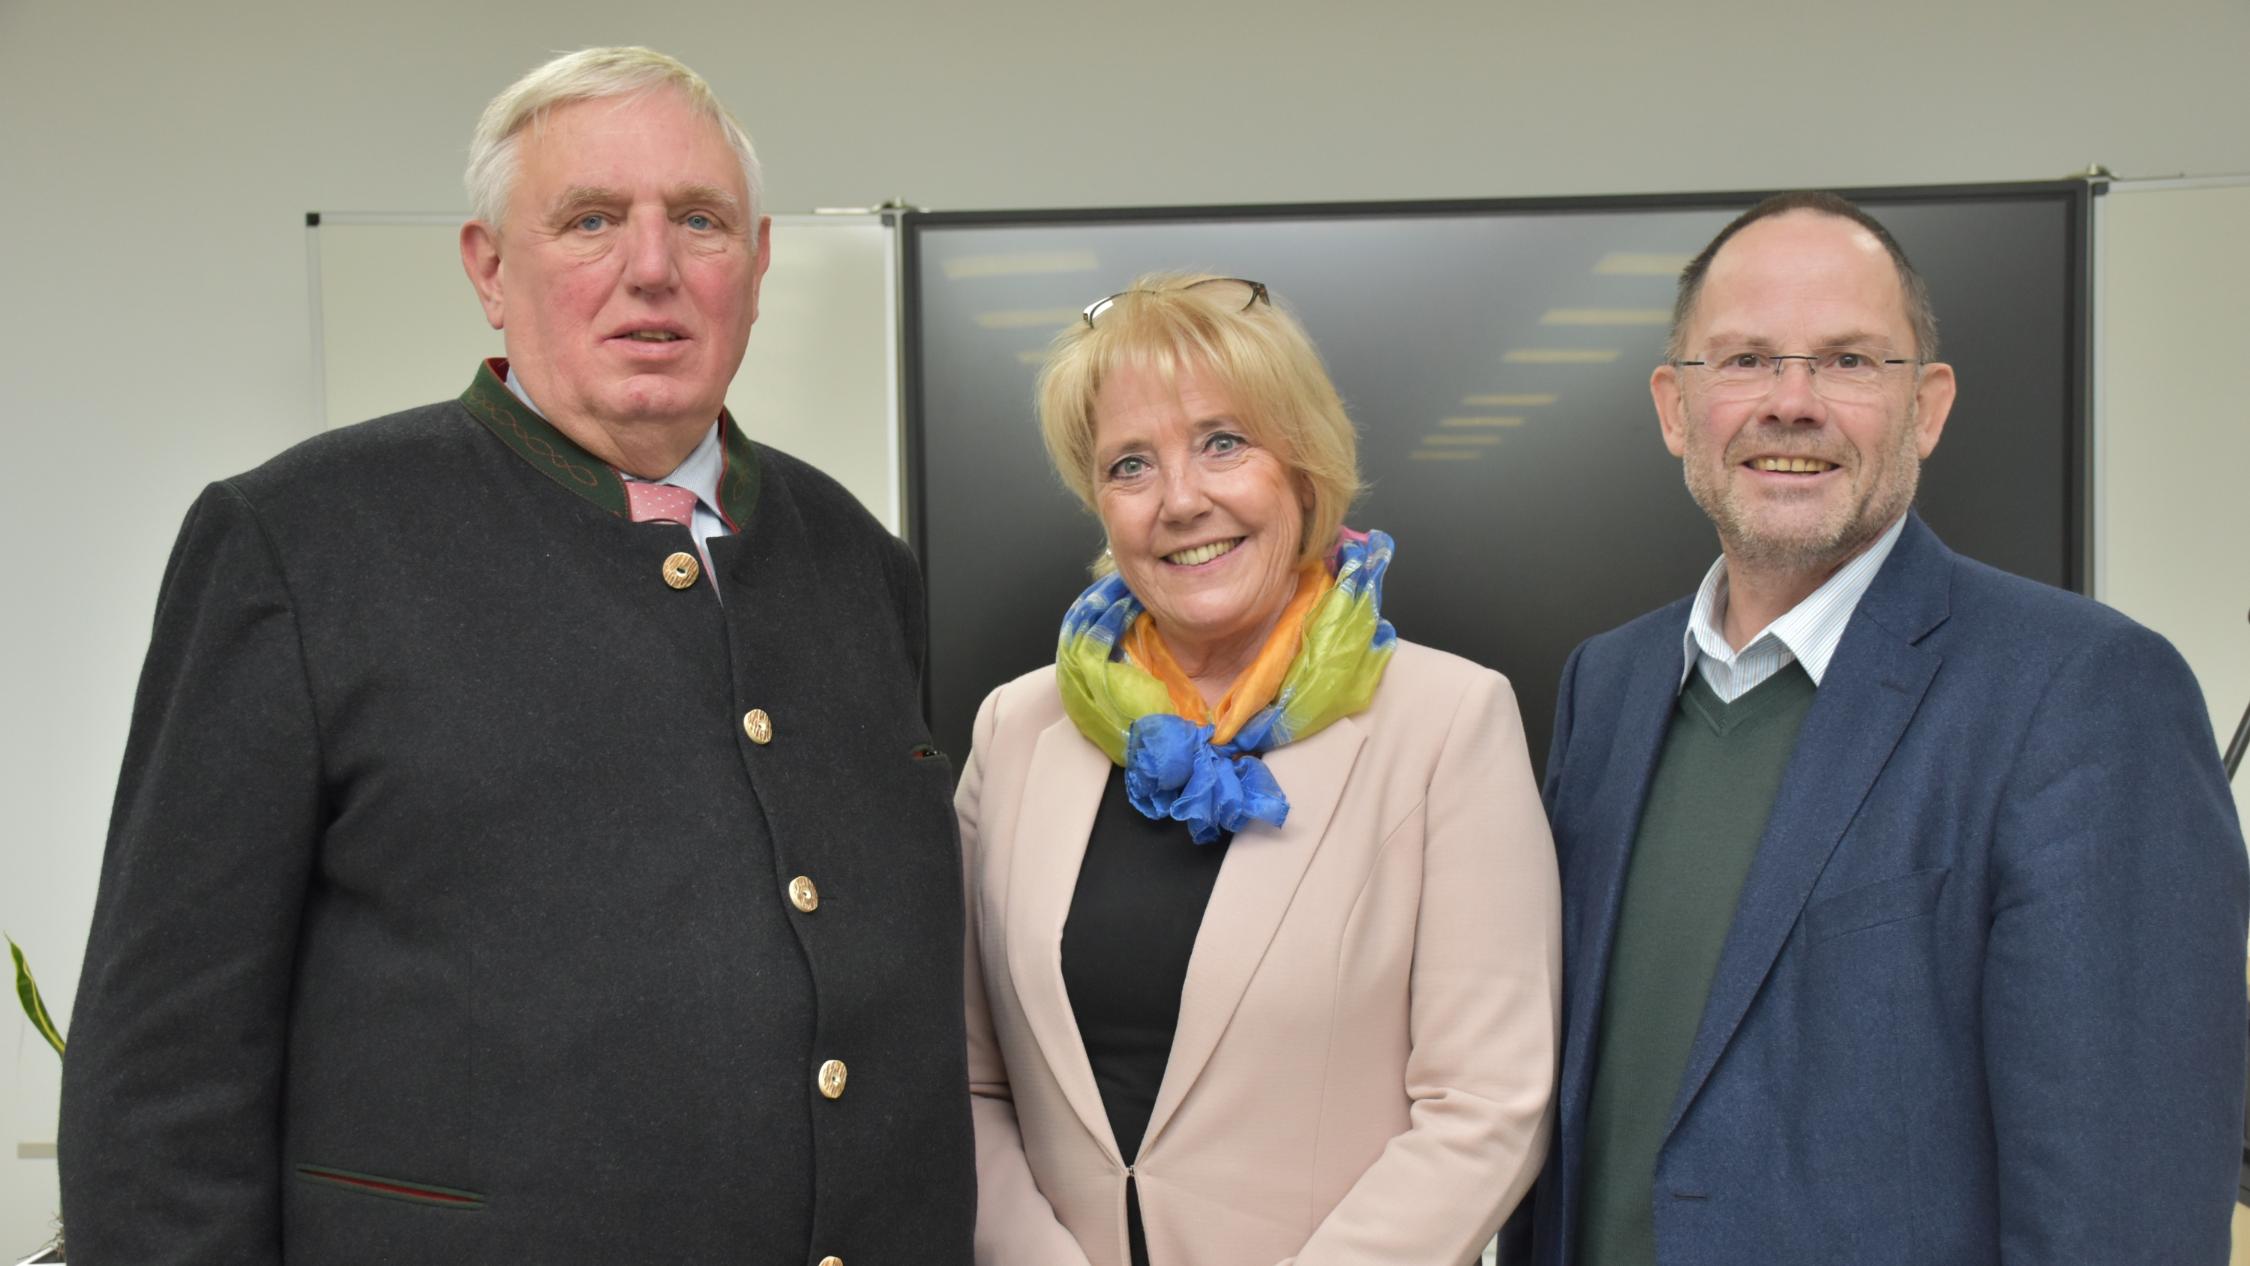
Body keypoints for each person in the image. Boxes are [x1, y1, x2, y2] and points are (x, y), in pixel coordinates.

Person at [58, 47, 972, 1265]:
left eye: (699, 221)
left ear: (754, 269)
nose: (652, 267)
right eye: (591, 219)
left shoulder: (861, 562)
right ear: (490, 269)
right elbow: (162, 1073)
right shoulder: (297, 545)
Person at [1525, 191, 2249, 1265]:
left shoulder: (2088, 694)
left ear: (1930, 406)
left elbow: (2125, 1207)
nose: (1792, 402)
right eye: (1743, 360)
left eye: (1851, 362)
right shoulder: (1609, 685)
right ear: (1676, 407)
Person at [959, 274, 1561, 1266]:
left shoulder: (1450, 722)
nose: (1181, 500)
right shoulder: (1016, 731)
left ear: (1303, 467)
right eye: (1130, 465)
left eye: (1223, 443)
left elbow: (1488, 1105)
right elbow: (965, 1081)